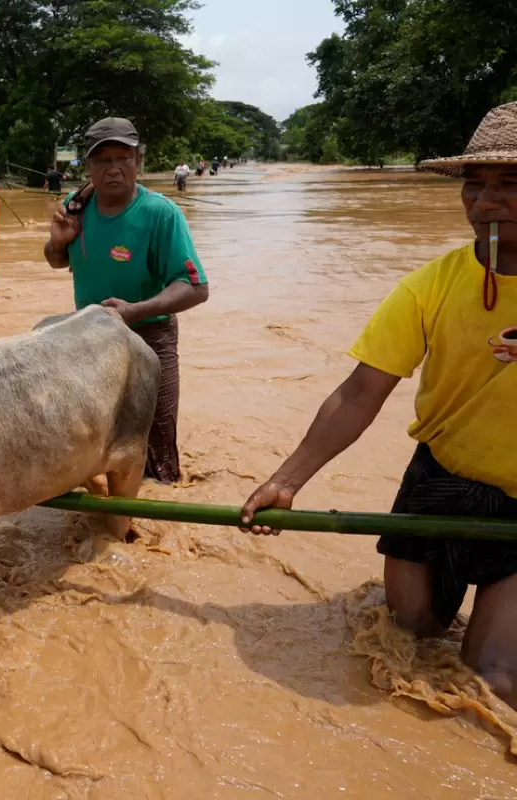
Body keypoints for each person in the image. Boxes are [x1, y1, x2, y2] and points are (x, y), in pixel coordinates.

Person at [240, 102, 517, 707]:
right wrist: (285, 480)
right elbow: (360, 392)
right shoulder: (430, 286)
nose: (486, 201)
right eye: (476, 183)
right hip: (440, 482)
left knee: (494, 678)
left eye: (510, 184)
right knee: (409, 635)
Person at [44, 117, 209, 484]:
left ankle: (157, 507)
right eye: (102, 161)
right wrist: (58, 242)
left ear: (140, 162)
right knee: (87, 431)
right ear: (88, 166)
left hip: (150, 337)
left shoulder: (160, 214)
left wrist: (134, 311)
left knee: (156, 443)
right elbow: (57, 261)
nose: (113, 169)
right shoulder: (77, 205)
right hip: (88, 339)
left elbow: (196, 288)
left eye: (123, 158)